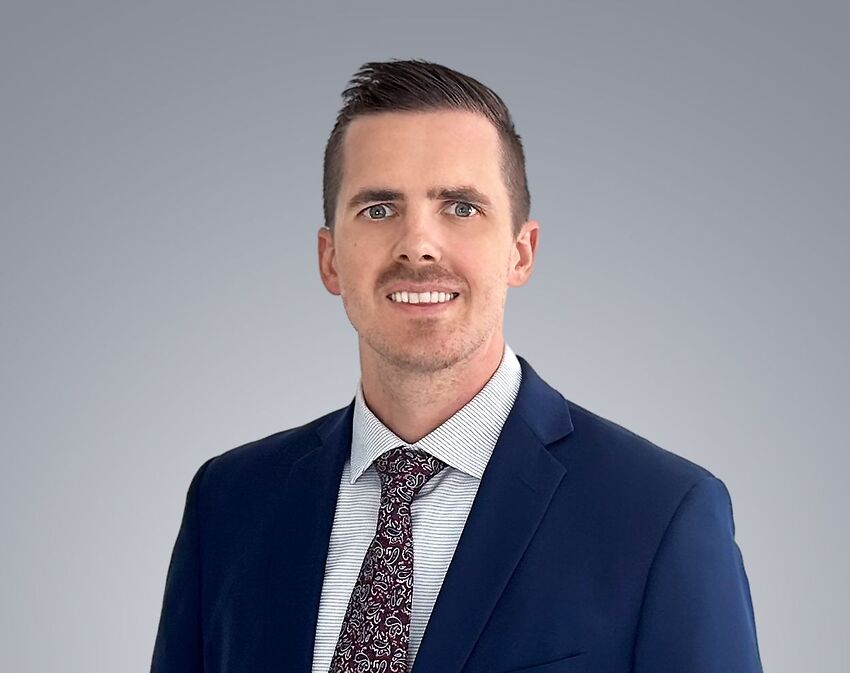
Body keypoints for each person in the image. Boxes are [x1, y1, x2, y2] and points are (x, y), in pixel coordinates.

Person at [150, 59, 763, 673]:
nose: (418, 245)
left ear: (521, 253)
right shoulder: (229, 503)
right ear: (330, 259)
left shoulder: (660, 513)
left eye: (461, 208)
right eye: (379, 209)